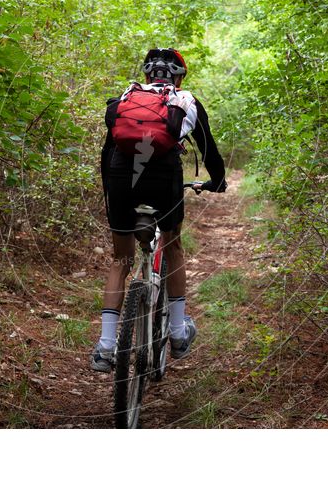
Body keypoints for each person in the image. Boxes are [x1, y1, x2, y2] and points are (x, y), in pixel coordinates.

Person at [91, 47, 227, 372]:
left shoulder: (126, 97)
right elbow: (209, 150)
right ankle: (179, 333)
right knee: (173, 246)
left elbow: (108, 149)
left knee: (119, 261)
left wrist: (110, 191)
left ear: (147, 75)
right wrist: (217, 182)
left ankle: (106, 347)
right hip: (164, 177)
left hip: (122, 174)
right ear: (178, 77)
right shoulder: (185, 101)